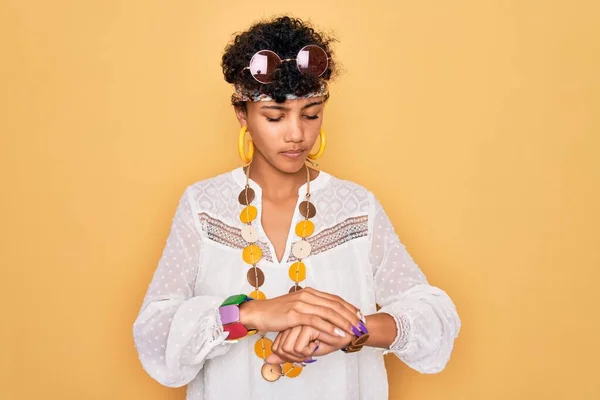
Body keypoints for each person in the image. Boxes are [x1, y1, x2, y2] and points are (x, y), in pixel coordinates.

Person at [133, 15, 461, 400]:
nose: (297, 134)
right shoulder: (203, 207)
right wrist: (251, 313)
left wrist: (350, 331)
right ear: (242, 114)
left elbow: (435, 317)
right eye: (274, 116)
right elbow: (156, 332)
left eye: (311, 114)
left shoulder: (355, 208)